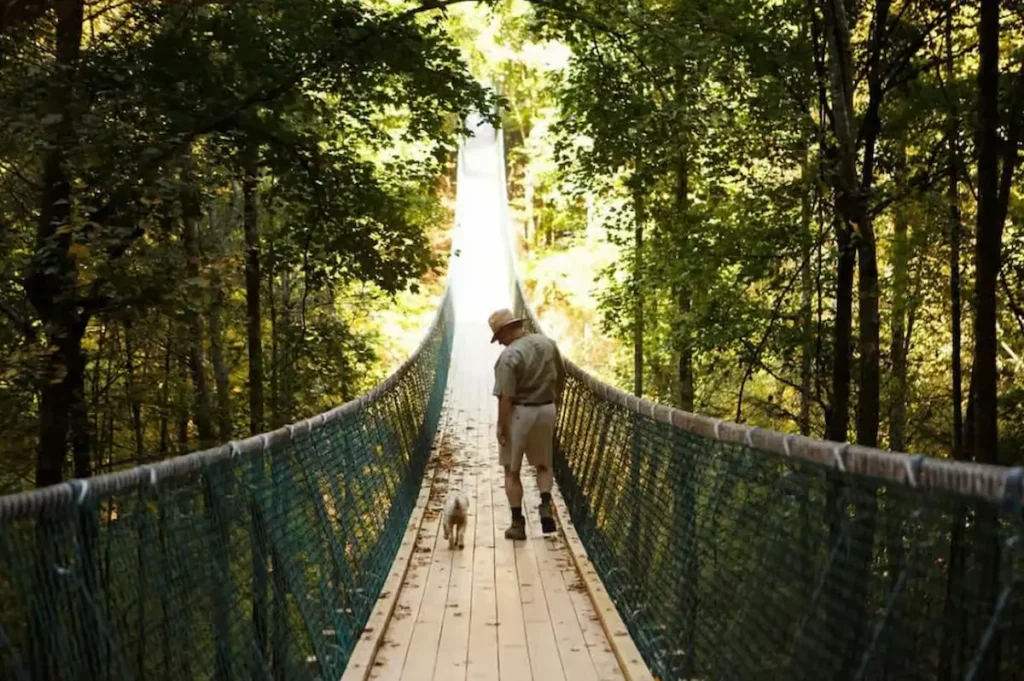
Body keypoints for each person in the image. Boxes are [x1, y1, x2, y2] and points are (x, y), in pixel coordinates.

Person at [488, 308, 566, 540]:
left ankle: (517, 524)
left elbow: (506, 397)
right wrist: (556, 403)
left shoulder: (509, 357)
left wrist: (501, 427)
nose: (500, 343)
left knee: (512, 472)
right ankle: (544, 504)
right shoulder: (548, 343)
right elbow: (561, 377)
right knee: (544, 465)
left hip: (520, 414)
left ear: (506, 331)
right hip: (546, 409)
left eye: (499, 337)